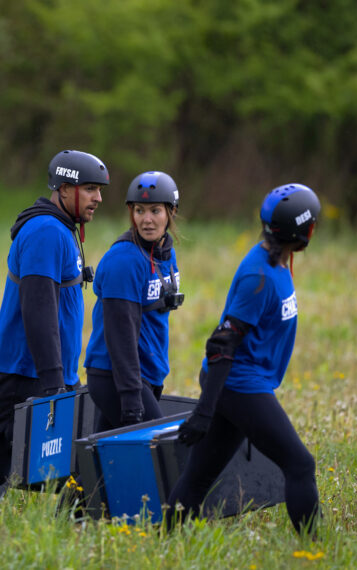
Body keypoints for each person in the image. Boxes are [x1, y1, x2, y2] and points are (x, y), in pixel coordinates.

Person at [166, 183, 321, 536]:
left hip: (240, 382)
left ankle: (164, 542)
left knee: (198, 476)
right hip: (239, 384)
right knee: (300, 465)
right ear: (304, 230)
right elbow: (221, 344)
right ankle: (314, 550)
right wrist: (204, 412)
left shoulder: (277, 260)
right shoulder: (259, 277)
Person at [0, 149, 109, 498]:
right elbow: (38, 308)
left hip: (45, 373)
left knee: (40, 471)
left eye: (99, 189)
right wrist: (53, 382)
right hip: (25, 374)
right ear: (64, 188)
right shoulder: (46, 232)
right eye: (90, 188)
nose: (99, 198)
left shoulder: (62, 229)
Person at [84, 171, 183, 430]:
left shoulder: (165, 252)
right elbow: (120, 335)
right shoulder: (124, 261)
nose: (147, 220)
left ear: (171, 212)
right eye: (139, 210)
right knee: (159, 453)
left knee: (105, 464)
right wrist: (130, 397)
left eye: (155, 211)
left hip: (145, 374)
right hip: (116, 377)